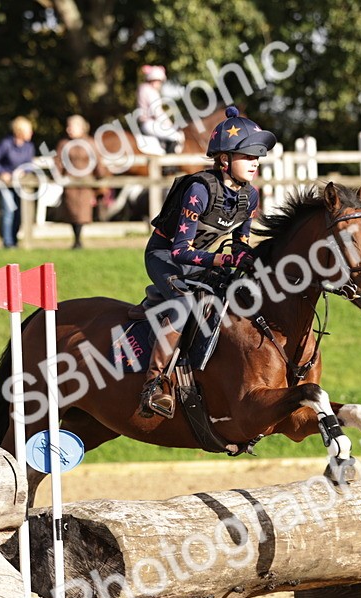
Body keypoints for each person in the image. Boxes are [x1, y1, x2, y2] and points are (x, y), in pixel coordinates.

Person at [139, 106, 275, 419]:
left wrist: (246, 256)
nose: (255, 163)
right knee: (185, 303)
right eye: (248, 157)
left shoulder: (249, 196)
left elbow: (240, 241)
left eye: (257, 157)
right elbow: (180, 251)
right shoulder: (199, 190)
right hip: (166, 256)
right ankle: (154, 383)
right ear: (224, 159)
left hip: (203, 259)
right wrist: (225, 258)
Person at [54, 115, 104, 249]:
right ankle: (75, 239)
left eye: (72, 126)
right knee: (71, 212)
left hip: (86, 183)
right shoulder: (64, 144)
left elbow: (98, 161)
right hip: (70, 183)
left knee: (83, 212)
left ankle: (79, 239)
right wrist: (58, 176)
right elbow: (57, 162)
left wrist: (100, 178)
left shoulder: (90, 143)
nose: (68, 129)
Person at [0, 117, 36, 248]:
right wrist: (2, 172)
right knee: (8, 210)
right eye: (28, 131)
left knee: (19, 213)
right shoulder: (6, 144)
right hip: (5, 184)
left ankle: (14, 239)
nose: (31, 133)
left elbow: (29, 164)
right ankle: (7, 242)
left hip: (21, 184)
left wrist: (23, 171)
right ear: (20, 131)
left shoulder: (29, 147)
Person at [136, 65, 182, 154]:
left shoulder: (143, 88)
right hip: (150, 123)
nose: (160, 84)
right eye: (159, 81)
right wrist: (169, 124)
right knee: (176, 136)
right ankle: (169, 165)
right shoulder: (151, 91)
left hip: (147, 124)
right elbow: (157, 111)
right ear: (153, 80)